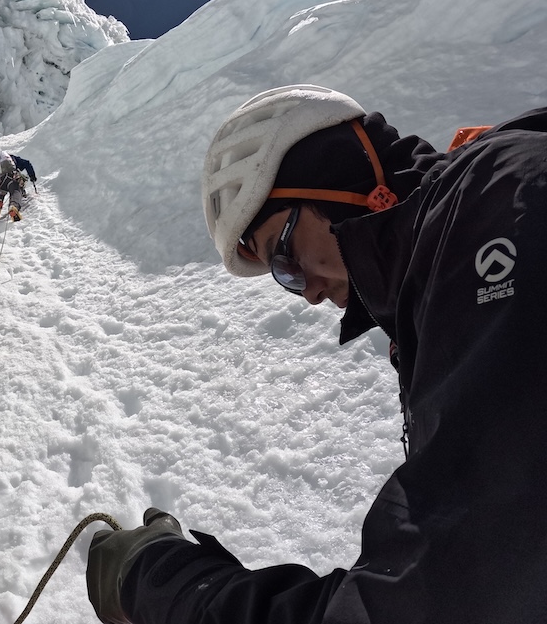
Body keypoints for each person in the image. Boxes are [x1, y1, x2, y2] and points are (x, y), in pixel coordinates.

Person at [86, 83, 547, 624]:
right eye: (286, 277)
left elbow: (435, 598)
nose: (305, 291)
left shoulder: (501, 204)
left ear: (336, 177)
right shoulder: (443, 268)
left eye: (284, 258)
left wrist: (161, 582)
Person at [0, 151, 37, 221]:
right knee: (15, 191)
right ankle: (13, 206)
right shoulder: (13, 158)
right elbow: (27, 163)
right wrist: (32, 176)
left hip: (1, 182)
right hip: (12, 178)